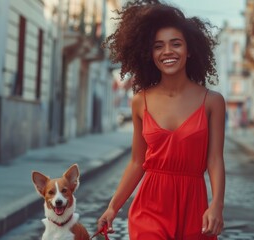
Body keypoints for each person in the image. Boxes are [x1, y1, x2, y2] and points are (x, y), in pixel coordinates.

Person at [97, 1, 226, 239]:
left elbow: (215, 159)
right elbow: (137, 162)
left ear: (189, 50)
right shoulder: (140, 101)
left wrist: (217, 204)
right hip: (150, 206)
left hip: (194, 206)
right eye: (158, 46)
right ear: (150, 54)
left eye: (175, 44)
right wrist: (113, 206)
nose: (167, 51)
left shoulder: (212, 102)